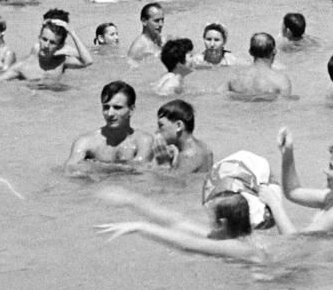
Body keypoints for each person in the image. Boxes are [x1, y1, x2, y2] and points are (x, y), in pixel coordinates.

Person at [93, 186, 265, 262]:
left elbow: (187, 244)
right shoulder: (226, 236)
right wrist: (132, 201)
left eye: (212, 218)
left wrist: (140, 226)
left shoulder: (239, 247)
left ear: (222, 223)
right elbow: (178, 222)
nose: (209, 222)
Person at [257, 127, 333, 235]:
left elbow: (294, 241)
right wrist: (287, 152)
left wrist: (274, 204)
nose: (325, 171)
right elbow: (293, 191)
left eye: (331, 168)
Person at [64, 80, 150, 170]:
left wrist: (94, 166)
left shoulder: (143, 140)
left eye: (117, 107)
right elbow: (69, 169)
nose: (110, 113)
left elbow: (140, 169)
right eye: (106, 107)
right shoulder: (86, 141)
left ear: (131, 110)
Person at [150, 99, 214, 174]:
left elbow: (171, 184)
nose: (156, 131)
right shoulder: (204, 147)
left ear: (178, 126)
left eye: (161, 125)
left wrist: (164, 164)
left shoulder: (189, 156)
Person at [225, 32, 294, 100]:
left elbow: (218, 95)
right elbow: (284, 106)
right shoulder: (281, 80)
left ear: (250, 52)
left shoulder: (234, 77)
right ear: (274, 51)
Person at [0, 20, 70, 84]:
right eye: (44, 39)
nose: (46, 45)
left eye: (52, 42)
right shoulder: (23, 66)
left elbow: (82, 59)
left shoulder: (61, 61)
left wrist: (72, 33)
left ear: (60, 46)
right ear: (39, 38)